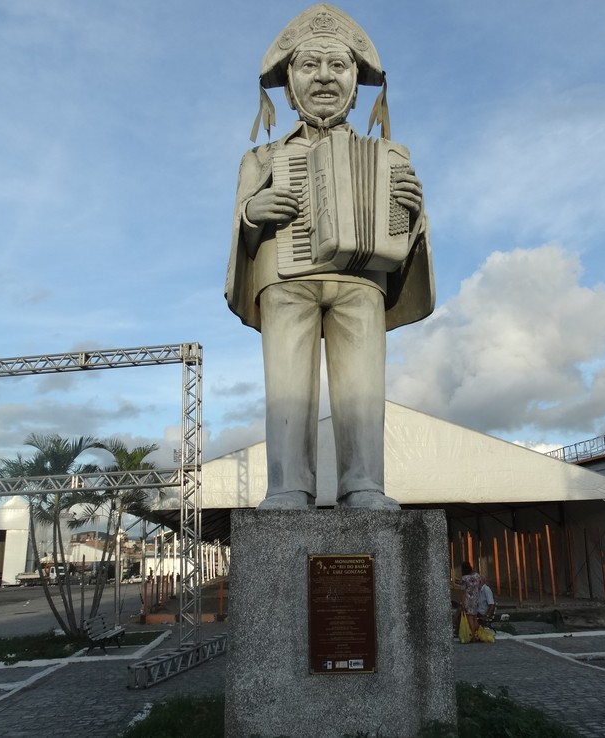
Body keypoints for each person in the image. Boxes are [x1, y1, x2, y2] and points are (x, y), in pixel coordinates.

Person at [225, 3, 435, 511]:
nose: (323, 77)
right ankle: (288, 487)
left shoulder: (390, 158)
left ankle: (364, 484)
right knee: (287, 390)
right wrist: (254, 212)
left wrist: (412, 214)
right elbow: (239, 235)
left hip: (360, 281)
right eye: (309, 66)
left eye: (337, 66)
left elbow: (406, 248)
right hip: (285, 279)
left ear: (357, 81)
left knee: (362, 388)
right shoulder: (261, 158)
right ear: (289, 82)